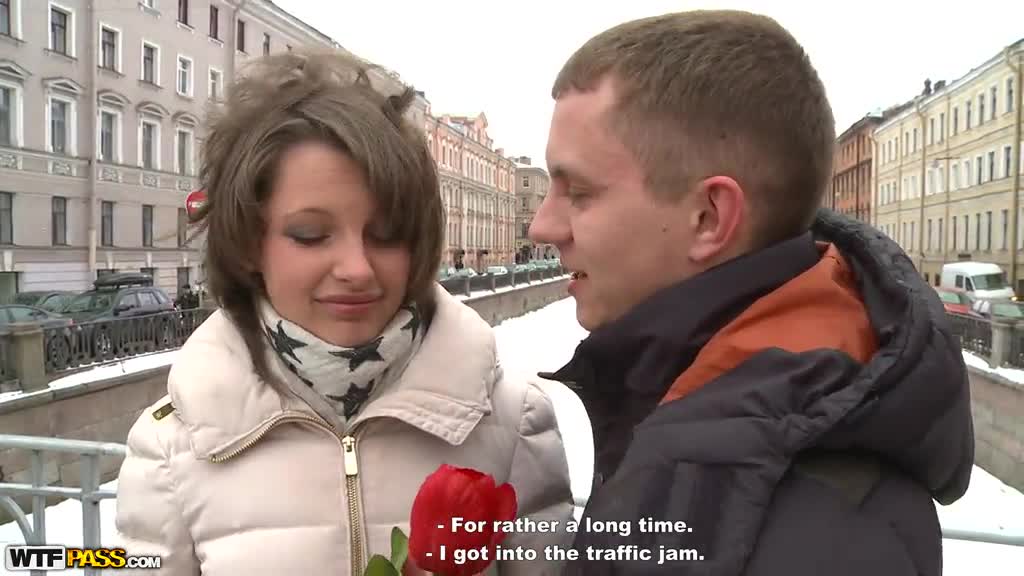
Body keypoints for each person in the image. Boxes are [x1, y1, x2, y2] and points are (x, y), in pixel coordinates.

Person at [529, 10, 973, 576]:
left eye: (579, 193)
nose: (542, 226)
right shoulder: (708, 407)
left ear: (709, 217)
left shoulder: (825, 539)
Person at [114, 49, 573, 575]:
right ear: (249, 244)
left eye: (388, 234)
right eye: (310, 235)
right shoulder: (170, 446)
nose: (357, 268)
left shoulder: (515, 420)